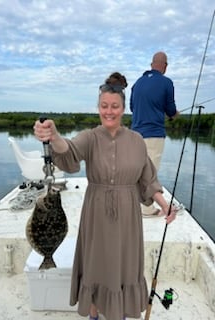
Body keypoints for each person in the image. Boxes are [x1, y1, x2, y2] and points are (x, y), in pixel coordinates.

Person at [33, 72, 177, 320]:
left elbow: (148, 178)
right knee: (95, 267)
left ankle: (118, 313)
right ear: (98, 107)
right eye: (104, 106)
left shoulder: (137, 140)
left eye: (115, 106)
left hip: (128, 218)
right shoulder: (90, 137)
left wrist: (164, 204)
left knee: (123, 268)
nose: (109, 112)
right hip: (96, 213)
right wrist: (54, 137)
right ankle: (94, 315)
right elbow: (69, 151)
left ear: (124, 109)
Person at [130, 51, 179, 217]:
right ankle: (146, 209)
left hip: (134, 135)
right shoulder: (166, 82)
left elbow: (132, 108)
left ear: (151, 65)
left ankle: (134, 204)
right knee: (150, 173)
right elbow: (170, 109)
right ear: (164, 66)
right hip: (154, 134)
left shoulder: (137, 84)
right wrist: (174, 114)